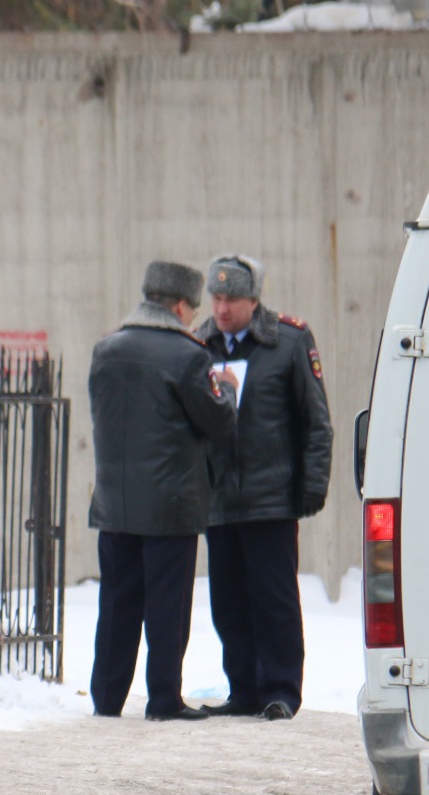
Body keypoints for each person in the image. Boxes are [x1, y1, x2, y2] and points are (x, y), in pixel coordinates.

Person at [87, 260, 237, 721]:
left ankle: (107, 700)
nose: (194, 317)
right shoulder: (188, 356)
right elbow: (216, 422)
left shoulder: (106, 349)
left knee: (116, 605)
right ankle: (163, 700)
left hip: (115, 503)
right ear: (177, 306)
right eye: (192, 308)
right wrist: (228, 390)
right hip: (170, 505)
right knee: (166, 608)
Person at [193, 253, 333, 722]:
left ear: (254, 300)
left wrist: (311, 486)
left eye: (232, 298)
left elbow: (315, 422)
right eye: (216, 297)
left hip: (270, 498)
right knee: (228, 602)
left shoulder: (288, 342)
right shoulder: (198, 346)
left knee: (273, 600)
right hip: (219, 500)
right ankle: (245, 689)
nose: (222, 308)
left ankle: (280, 690)